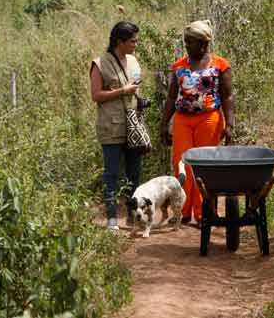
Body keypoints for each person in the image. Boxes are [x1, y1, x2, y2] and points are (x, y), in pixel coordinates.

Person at [160, 20, 234, 224]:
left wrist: (229, 125)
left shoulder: (220, 65)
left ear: (203, 43)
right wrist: (164, 123)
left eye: (190, 42)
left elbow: (227, 97)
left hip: (209, 119)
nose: (186, 45)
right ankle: (182, 211)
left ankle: (203, 213)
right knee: (181, 165)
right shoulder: (179, 66)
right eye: (185, 42)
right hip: (183, 120)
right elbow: (171, 97)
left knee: (204, 166)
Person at [90, 21, 143, 230]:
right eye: (133, 41)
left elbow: (135, 88)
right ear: (120, 41)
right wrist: (122, 91)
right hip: (111, 126)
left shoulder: (133, 61)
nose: (136, 44)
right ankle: (112, 218)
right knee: (111, 174)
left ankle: (133, 215)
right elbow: (96, 95)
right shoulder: (100, 63)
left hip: (133, 125)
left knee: (134, 172)